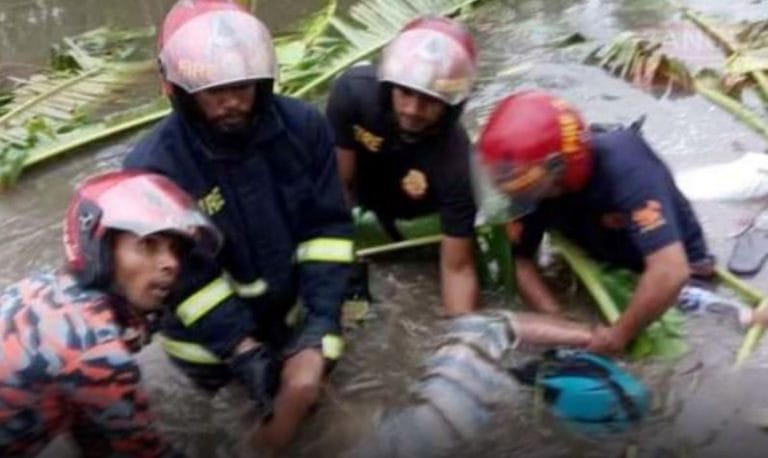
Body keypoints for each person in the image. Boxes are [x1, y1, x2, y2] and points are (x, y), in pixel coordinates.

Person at [123, 0, 353, 452]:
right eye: (213, 92)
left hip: (291, 324)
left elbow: (326, 233)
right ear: (180, 90)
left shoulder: (304, 128)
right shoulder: (152, 170)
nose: (231, 102)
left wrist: (320, 329)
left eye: (242, 87)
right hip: (205, 353)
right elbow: (181, 282)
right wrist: (244, 353)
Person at [0, 170, 221, 457]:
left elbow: (81, 412)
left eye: (175, 250)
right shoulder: (99, 354)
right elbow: (147, 452)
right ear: (101, 252)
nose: (171, 263)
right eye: (149, 244)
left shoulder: (41, 286)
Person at [476, 90, 714, 355]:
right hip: (598, 252)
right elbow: (520, 261)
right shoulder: (527, 187)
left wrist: (618, 335)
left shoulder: (626, 167)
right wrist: (557, 318)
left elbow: (671, 272)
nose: (512, 193)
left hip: (671, 275)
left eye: (520, 186)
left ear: (557, 168)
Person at [326, 16, 480, 316]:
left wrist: (463, 334)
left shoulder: (457, 162)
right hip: (364, 197)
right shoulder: (352, 94)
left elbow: (458, 269)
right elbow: (336, 184)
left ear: (450, 104)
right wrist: (343, 261)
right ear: (389, 87)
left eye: (428, 101)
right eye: (405, 93)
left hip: (422, 214)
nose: (412, 110)